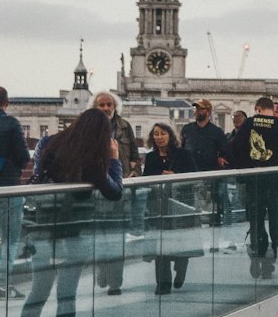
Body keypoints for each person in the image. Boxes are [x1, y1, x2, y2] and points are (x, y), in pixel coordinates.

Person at [12, 107, 123, 317]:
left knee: (37, 293)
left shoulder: (50, 143)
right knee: (66, 295)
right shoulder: (92, 160)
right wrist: (115, 159)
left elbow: (37, 177)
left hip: (44, 230)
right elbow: (115, 192)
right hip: (75, 233)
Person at [231, 95, 278, 280]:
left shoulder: (249, 124)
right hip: (274, 179)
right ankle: (274, 251)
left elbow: (235, 147)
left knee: (256, 218)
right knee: (275, 214)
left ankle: (259, 250)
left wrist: (247, 165)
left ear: (257, 108)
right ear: (271, 110)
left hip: (254, 179)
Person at [90, 91, 140, 296]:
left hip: (120, 189)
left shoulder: (125, 126)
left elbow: (135, 156)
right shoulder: (89, 127)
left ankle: (115, 283)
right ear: (95, 107)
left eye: (109, 104)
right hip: (96, 190)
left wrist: (132, 175)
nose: (106, 108)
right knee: (99, 238)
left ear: (114, 106)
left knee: (117, 239)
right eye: (101, 105)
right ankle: (102, 273)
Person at [143, 123, 200, 294]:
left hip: (181, 204)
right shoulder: (151, 157)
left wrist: (176, 177)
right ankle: (163, 284)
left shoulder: (184, 154)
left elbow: (195, 176)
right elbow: (146, 179)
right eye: (156, 134)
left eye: (163, 133)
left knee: (181, 242)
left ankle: (181, 267)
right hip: (159, 205)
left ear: (170, 135)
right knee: (161, 245)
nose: (159, 137)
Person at [0, 86, 31, 299]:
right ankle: (3, 285)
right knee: (9, 240)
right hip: (8, 187)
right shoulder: (11, 124)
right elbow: (24, 156)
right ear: (6, 102)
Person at [182, 99, 232, 239]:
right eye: (196, 109)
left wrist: (220, 157)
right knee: (192, 206)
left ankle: (216, 235)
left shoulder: (217, 132)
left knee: (215, 207)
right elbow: (182, 149)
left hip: (211, 175)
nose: (197, 111)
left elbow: (225, 152)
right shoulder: (187, 129)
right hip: (191, 174)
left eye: (200, 109)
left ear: (208, 112)